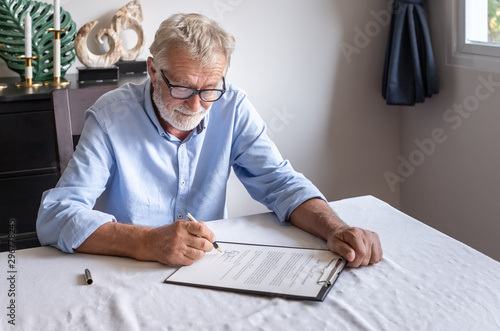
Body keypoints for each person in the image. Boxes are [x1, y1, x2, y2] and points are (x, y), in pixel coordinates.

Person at [37, 13, 382, 268]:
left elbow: (281, 184)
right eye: (183, 87)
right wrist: (146, 241)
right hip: (125, 267)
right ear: (153, 71)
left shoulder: (232, 106)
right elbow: (55, 216)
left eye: (210, 89)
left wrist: (335, 228)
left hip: (206, 268)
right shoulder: (111, 116)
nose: (196, 104)